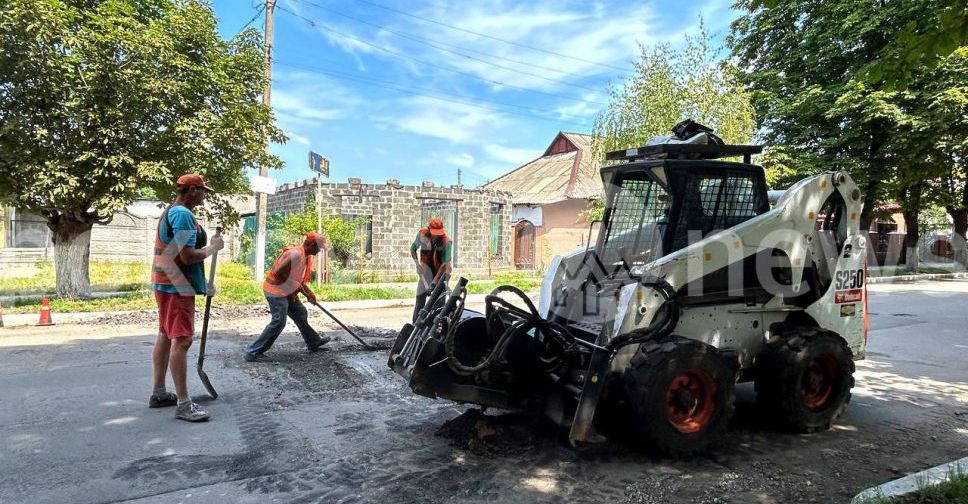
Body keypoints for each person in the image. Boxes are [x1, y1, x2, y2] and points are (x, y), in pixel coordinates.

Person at [149, 173, 224, 422]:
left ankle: (159, 393)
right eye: (203, 191)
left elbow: (176, 255)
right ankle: (183, 404)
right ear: (192, 190)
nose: (204, 196)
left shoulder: (172, 210)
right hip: (176, 285)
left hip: (167, 281)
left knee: (165, 334)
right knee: (181, 340)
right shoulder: (183, 214)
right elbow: (186, 256)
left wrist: (202, 284)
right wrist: (213, 248)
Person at [245, 232, 330, 361]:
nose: (319, 251)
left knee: (300, 313)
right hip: (276, 291)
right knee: (279, 322)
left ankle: (313, 342)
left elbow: (297, 279)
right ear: (312, 245)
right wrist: (300, 289)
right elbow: (278, 273)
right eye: (319, 248)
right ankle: (253, 352)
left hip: (287, 291)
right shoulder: (295, 255)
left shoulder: (306, 256)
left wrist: (308, 292)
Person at [410, 217, 453, 322]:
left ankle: (436, 327)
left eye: (438, 233)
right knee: (420, 298)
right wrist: (417, 265)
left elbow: (444, 265)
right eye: (434, 233)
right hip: (426, 271)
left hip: (442, 272)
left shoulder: (446, 241)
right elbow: (413, 249)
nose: (436, 235)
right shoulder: (422, 234)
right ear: (429, 229)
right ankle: (415, 325)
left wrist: (434, 283)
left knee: (439, 302)